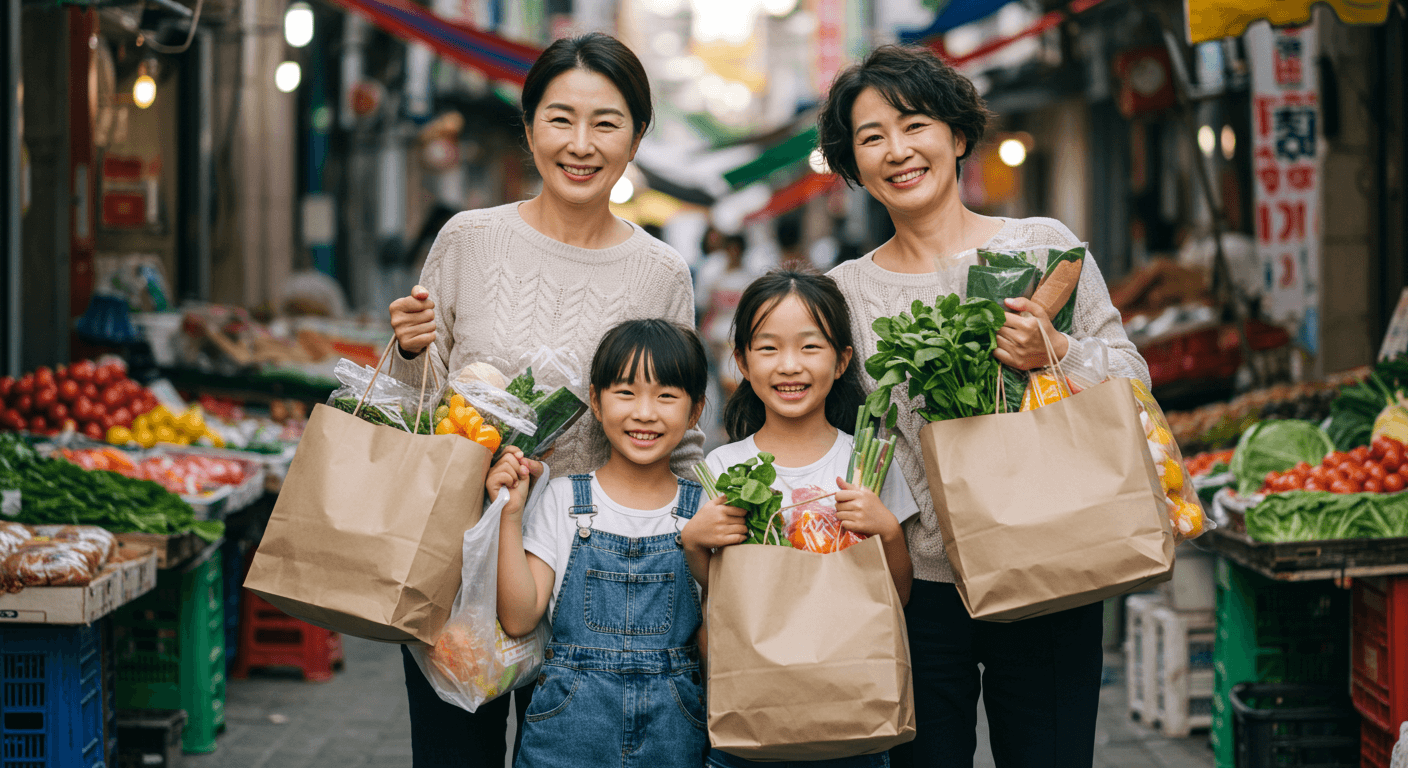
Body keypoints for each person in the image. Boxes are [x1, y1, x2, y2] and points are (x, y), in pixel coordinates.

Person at [817, 45, 1150, 768]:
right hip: (918, 587)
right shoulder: (843, 294)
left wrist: (1057, 350)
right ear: (853, 165)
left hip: (1054, 561)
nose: (897, 151)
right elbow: (835, 434)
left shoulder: (1043, 248)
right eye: (872, 137)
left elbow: (1133, 381)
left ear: (958, 135)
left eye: (915, 125)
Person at [386, 33, 704, 768]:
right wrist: (408, 350)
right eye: (561, 119)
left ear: (636, 138)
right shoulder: (469, 240)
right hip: (456, 564)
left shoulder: (660, 272)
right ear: (529, 129)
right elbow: (411, 410)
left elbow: (681, 437)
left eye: (606, 122)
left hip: (594, 590)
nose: (581, 144)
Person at [681, 269, 917, 768]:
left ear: (842, 360)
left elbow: (897, 597)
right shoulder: (723, 467)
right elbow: (720, 594)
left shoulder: (867, 463)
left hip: (850, 711)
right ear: (741, 362)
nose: (790, 365)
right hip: (756, 709)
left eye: (810, 347)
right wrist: (695, 544)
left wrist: (888, 531)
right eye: (768, 349)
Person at [490, 319, 711, 768]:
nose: (644, 413)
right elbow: (518, 617)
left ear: (695, 412)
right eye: (625, 392)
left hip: (674, 737)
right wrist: (510, 517)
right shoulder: (563, 499)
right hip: (566, 738)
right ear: (595, 400)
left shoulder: (705, 511)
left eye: (666, 396)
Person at [698, 233, 754, 395]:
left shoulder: (749, 279)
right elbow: (707, 308)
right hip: (715, 336)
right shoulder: (714, 277)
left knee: (732, 382)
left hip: (737, 337)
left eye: (737, 250)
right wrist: (702, 334)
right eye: (730, 249)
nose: (733, 253)